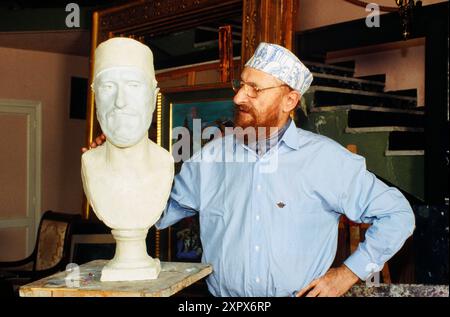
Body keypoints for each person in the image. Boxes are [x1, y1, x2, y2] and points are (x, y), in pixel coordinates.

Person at [84, 42, 415, 296]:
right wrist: (123, 158)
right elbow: (153, 215)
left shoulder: (326, 161)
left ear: (289, 100)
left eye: (256, 89)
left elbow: (399, 215)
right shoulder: (209, 159)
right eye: (241, 85)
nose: (241, 96)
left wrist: (348, 274)